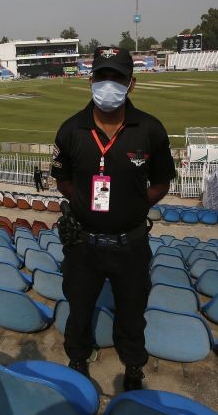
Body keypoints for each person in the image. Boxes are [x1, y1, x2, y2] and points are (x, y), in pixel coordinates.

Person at [51, 46, 177, 391]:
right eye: (102, 75)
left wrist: (134, 206)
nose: (108, 83)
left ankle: (133, 366)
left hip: (131, 243)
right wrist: (82, 203)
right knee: (79, 308)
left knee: (132, 313)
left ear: (130, 84)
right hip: (82, 244)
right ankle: (78, 358)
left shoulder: (149, 129)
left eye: (117, 77)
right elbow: (62, 179)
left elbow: (163, 182)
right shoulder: (71, 129)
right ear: (90, 80)